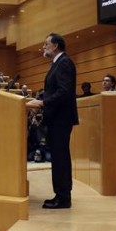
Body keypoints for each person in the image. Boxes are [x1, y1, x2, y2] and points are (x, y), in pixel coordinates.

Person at [26, 33, 78, 209]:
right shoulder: (57, 63)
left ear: (56, 45)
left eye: (46, 43)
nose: (43, 47)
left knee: (60, 157)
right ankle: (61, 195)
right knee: (58, 157)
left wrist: (43, 102)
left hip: (61, 119)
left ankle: (63, 197)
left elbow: (64, 91)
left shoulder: (64, 62)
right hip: (57, 118)